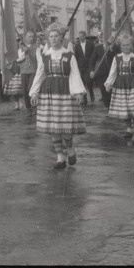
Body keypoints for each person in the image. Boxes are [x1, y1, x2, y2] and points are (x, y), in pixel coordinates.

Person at [28, 24, 87, 169]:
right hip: (49, 92)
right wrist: (34, 92)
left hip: (65, 91)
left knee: (65, 126)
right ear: (48, 39)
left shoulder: (69, 55)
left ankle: (70, 148)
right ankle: (60, 157)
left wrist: (78, 92)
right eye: (51, 37)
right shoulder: (45, 56)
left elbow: (75, 74)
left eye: (56, 36)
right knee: (53, 127)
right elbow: (40, 75)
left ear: (61, 38)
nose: (53, 39)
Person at [104, 33, 134, 139]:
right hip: (121, 84)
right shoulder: (117, 58)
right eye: (124, 45)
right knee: (124, 107)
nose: (126, 47)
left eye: (128, 45)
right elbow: (113, 72)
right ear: (120, 47)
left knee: (133, 106)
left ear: (131, 46)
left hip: (133, 84)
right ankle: (128, 128)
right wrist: (109, 83)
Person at [89, 36, 118, 109]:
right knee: (104, 91)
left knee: (111, 91)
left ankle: (113, 107)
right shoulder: (98, 48)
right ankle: (108, 106)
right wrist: (91, 70)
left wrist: (111, 50)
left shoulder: (116, 48)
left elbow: (117, 57)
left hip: (112, 73)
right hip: (101, 73)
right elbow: (92, 60)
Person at [18, 31, 39, 118]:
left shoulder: (36, 47)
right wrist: (24, 52)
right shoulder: (21, 48)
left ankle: (34, 106)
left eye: (32, 36)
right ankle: (28, 108)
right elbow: (18, 59)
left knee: (31, 89)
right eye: (29, 36)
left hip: (33, 70)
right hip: (24, 71)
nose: (31, 38)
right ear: (25, 38)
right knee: (24, 91)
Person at [74, 31, 96, 105]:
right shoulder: (77, 46)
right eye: (79, 36)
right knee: (82, 82)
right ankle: (84, 99)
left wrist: (92, 63)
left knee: (89, 81)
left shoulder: (90, 44)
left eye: (81, 36)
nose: (80, 38)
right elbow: (76, 56)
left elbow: (94, 54)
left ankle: (91, 92)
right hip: (81, 67)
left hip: (89, 66)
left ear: (84, 36)